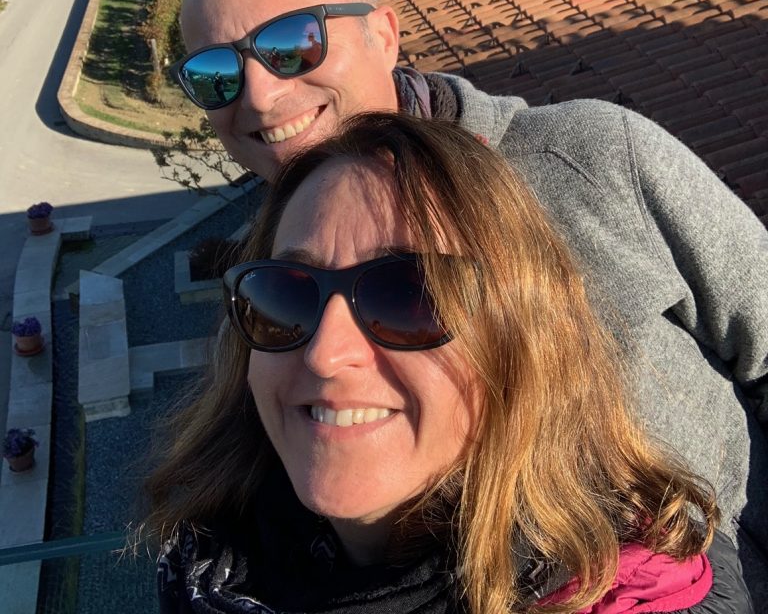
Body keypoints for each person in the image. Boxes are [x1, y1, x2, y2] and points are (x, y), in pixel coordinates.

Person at [174, 0, 768, 605]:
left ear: (384, 34)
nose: (256, 96)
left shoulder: (596, 159)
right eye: (215, 74)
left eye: (290, 44)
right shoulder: (269, 296)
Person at [147, 114, 752, 613]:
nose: (326, 354)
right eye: (284, 294)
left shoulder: (642, 594)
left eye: (411, 296)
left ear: (523, 341)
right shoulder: (209, 564)